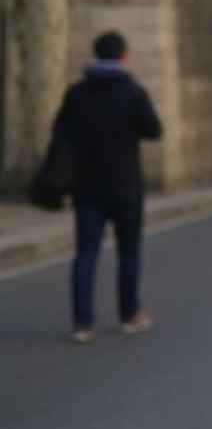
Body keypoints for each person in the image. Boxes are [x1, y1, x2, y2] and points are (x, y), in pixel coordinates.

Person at [52, 30, 163, 344]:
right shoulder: (132, 92)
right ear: (123, 56)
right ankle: (129, 315)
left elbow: (60, 132)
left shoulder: (77, 93)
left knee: (85, 254)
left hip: (86, 186)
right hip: (126, 186)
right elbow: (154, 130)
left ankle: (82, 323)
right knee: (129, 252)